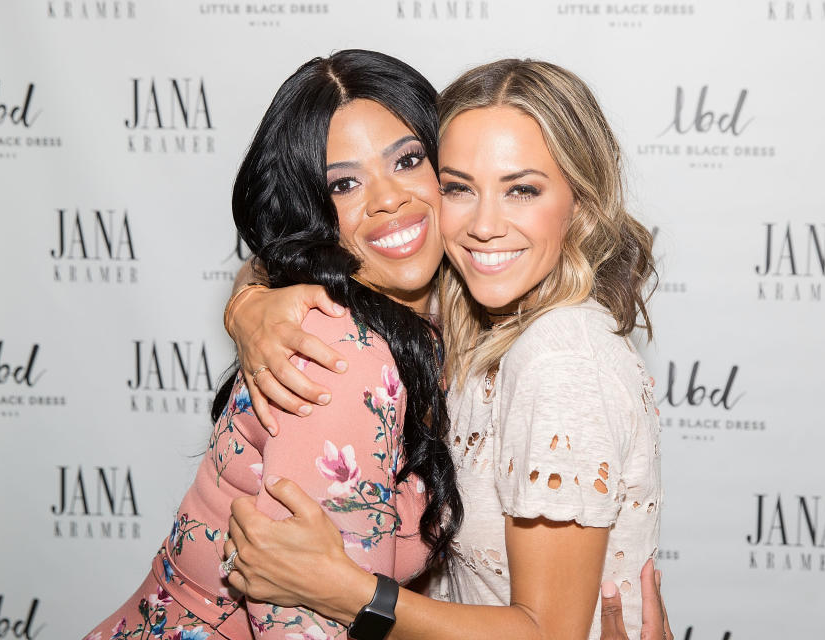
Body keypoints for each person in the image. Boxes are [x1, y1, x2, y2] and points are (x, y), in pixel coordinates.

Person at [221, 59, 669, 640]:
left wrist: (348, 591)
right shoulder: (468, 310)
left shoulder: (561, 356)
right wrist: (249, 303)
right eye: (459, 187)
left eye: (522, 190)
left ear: (581, 201)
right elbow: (322, 246)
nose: (484, 224)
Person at [81, 50, 463, 640]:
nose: (388, 198)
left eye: (408, 160)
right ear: (315, 212)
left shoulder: (445, 313)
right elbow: (304, 627)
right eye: (345, 182)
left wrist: (246, 301)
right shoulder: (339, 359)